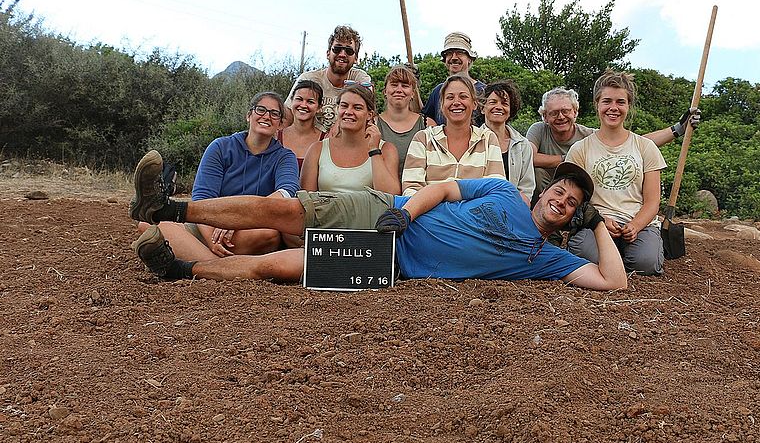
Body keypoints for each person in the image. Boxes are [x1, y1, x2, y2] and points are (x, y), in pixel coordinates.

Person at [129, 150, 627, 290]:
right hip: (388, 218)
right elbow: (443, 188)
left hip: (389, 261)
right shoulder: (502, 191)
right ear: (547, 189)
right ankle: (169, 208)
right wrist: (404, 213)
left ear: (568, 220)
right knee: (286, 208)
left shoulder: (545, 258)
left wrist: (598, 223)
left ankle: (181, 270)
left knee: (280, 267)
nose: (561, 199)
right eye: (560, 190)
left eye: (570, 203)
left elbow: (614, 282)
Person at [137, 92, 299, 261]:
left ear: (280, 124)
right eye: (261, 110)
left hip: (250, 228)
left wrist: (236, 221)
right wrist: (212, 237)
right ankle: (218, 265)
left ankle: (196, 260)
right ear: (248, 115)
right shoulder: (221, 146)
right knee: (148, 225)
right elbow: (201, 198)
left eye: (274, 113)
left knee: (268, 235)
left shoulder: (285, 157)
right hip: (209, 224)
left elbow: (286, 192)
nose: (266, 116)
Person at [565, 70, 666, 275]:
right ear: (597, 105)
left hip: (638, 223)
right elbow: (574, 199)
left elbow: (652, 202)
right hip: (596, 223)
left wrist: (635, 226)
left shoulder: (645, 147)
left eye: (620, 102)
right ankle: (612, 252)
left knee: (646, 264)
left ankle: (632, 250)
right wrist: (599, 220)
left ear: (628, 106)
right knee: (586, 256)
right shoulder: (579, 150)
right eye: (607, 101)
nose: (613, 108)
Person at [527, 87, 700, 199]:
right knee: (539, 174)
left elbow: (637, 143)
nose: (561, 117)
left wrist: (677, 129)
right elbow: (529, 157)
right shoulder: (538, 129)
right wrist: (568, 158)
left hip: (575, 189)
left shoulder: (588, 136)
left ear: (575, 112)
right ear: (545, 117)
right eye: (554, 113)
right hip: (546, 188)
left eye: (565, 111)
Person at [402, 73, 505, 196]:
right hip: (431, 214)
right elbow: (411, 189)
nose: (456, 102)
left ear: (474, 104)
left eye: (463, 96)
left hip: (474, 215)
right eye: (450, 97)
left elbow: (495, 189)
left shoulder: (487, 139)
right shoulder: (423, 138)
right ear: (442, 105)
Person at [300, 82, 400, 195]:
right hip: (326, 211)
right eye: (344, 106)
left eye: (357, 108)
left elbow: (390, 196)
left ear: (369, 115)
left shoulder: (386, 150)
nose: (348, 112)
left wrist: (374, 150)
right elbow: (306, 200)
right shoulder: (317, 149)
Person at [286, 25, 371, 133]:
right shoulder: (309, 79)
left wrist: (338, 124)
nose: (342, 54)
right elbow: (287, 117)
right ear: (328, 53)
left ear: (356, 59)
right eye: (337, 49)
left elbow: (368, 116)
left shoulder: (360, 79)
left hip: (344, 144)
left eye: (349, 51)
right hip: (311, 143)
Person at [479, 80, 535, 203]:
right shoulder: (472, 140)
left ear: (510, 110)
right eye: (493, 102)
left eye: (504, 103)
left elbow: (527, 187)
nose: (498, 107)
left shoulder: (522, 144)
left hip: (512, 207)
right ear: (483, 108)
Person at [376, 64, 436, 171]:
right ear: (385, 91)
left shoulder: (428, 125)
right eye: (394, 85)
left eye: (405, 86)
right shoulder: (373, 124)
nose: (399, 90)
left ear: (413, 93)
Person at [420, 32, 485, 125]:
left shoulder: (484, 91)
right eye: (449, 53)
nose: (454, 57)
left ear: (469, 58)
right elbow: (423, 119)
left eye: (459, 52)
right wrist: (413, 85)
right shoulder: (438, 91)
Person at [277, 79, 324, 170]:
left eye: (310, 102)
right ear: (291, 101)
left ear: (319, 107)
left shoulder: (325, 141)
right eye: (299, 99)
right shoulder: (275, 137)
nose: (303, 105)